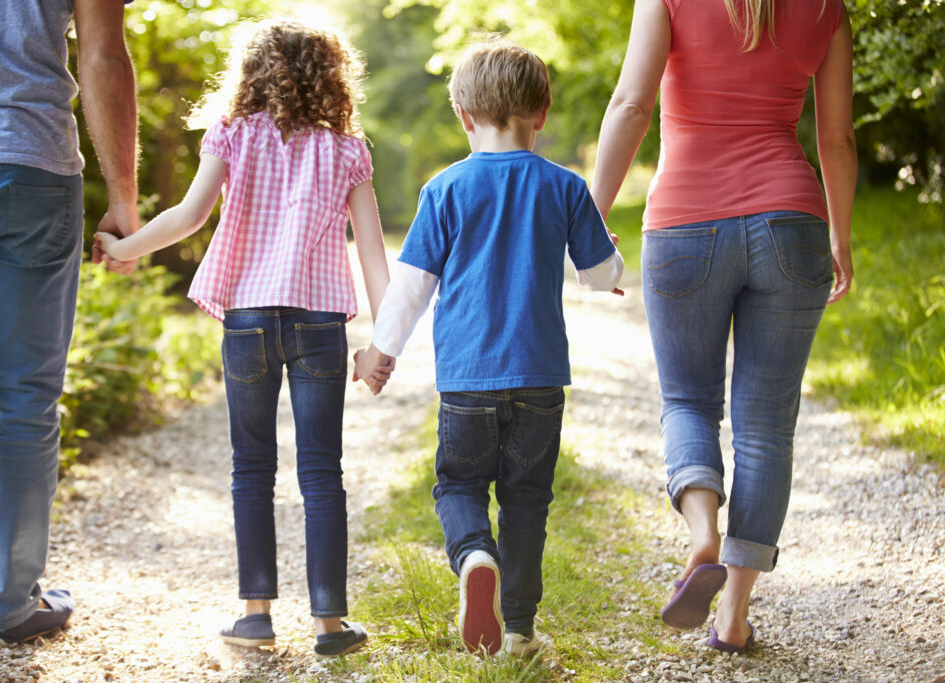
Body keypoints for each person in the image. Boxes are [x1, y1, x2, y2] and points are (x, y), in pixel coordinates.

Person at [95, 19, 390, 659]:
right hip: (319, 323)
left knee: (250, 465)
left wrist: (126, 249)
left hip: (249, 320)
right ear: (332, 78)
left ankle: (255, 614)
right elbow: (371, 251)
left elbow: (190, 215)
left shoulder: (232, 133)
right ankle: (330, 624)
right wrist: (381, 343)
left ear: (251, 73)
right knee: (321, 471)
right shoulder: (347, 150)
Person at [590, 0, 856, 653]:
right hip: (791, 225)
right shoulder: (827, 8)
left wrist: (589, 220)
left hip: (684, 224)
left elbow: (631, 104)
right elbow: (836, 139)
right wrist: (841, 237)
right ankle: (733, 614)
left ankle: (701, 531)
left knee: (687, 400)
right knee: (766, 427)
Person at [354, 37, 624, 657]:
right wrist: (610, 266)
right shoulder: (564, 187)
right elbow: (600, 274)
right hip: (540, 380)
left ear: (463, 115)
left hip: (468, 382)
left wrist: (380, 353)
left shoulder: (444, 190)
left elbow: (412, 287)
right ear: (543, 114)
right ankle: (521, 630)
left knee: (459, 486)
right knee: (527, 500)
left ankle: (475, 554)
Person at [0, 0, 139, 646]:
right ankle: (13, 602)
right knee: (27, 396)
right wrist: (122, 197)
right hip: (31, 166)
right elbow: (103, 53)